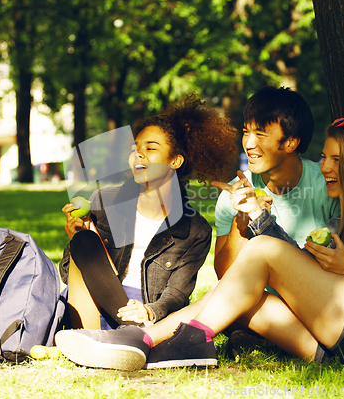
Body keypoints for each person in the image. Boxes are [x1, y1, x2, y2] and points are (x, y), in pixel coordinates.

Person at [54, 118, 344, 371]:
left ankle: (176, 340)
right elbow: (295, 269)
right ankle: (143, 340)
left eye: (336, 159)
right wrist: (256, 215)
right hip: (338, 344)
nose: (326, 166)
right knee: (239, 296)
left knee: (260, 255)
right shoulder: (339, 222)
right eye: (324, 157)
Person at [59, 93, 238, 330]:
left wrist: (147, 311)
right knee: (84, 241)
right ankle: (122, 334)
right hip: (94, 305)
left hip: (147, 315)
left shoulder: (195, 230)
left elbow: (177, 295)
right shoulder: (103, 201)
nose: (139, 154)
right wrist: (78, 237)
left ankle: (126, 335)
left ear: (175, 161)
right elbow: (66, 274)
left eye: (151, 148)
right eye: (136, 149)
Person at [214, 86, 340, 279]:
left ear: (291, 142)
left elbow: (338, 267)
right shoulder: (233, 196)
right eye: (246, 132)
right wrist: (242, 221)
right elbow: (224, 276)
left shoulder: (329, 186)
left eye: (260, 134)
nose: (248, 144)